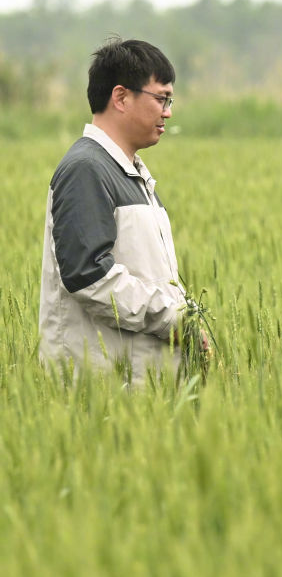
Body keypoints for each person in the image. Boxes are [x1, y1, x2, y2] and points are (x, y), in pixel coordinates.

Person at [39, 38, 195, 384]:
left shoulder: (129, 173)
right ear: (121, 97)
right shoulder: (87, 170)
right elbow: (89, 276)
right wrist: (174, 319)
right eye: (161, 98)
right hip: (103, 388)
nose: (168, 112)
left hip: (138, 386)